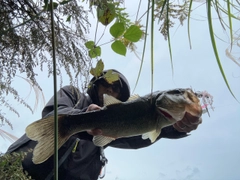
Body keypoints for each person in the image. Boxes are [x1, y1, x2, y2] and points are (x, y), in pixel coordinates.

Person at [6, 69, 202, 180]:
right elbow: (53, 113)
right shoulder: (72, 95)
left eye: (116, 87)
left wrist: (173, 128)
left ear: (121, 97)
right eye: (105, 82)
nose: (109, 88)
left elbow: (137, 137)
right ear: (95, 84)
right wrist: (83, 115)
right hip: (13, 170)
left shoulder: (112, 131)